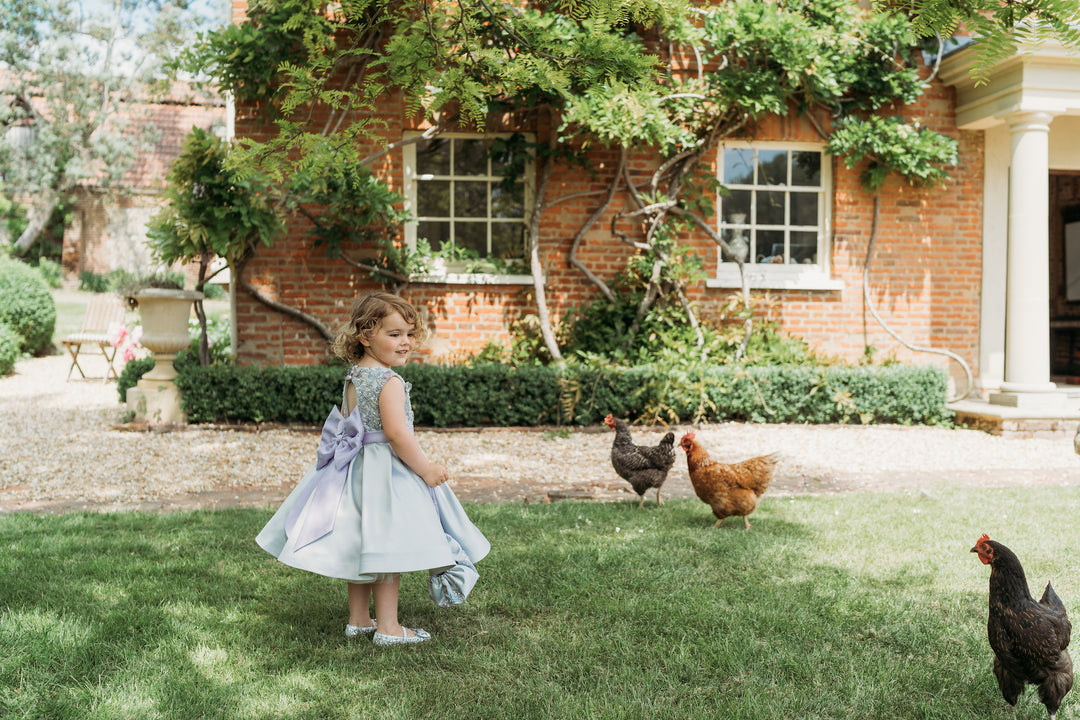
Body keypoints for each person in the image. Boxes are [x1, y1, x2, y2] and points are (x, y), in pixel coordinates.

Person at [256, 292, 489, 647]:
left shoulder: (355, 376)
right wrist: (426, 468)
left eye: (410, 334)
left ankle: (359, 620)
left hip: (355, 470)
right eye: (394, 334)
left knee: (362, 545)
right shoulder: (389, 382)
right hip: (385, 474)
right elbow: (396, 434)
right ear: (365, 335)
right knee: (386, 549)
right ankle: (389, 628)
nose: (406, 342)